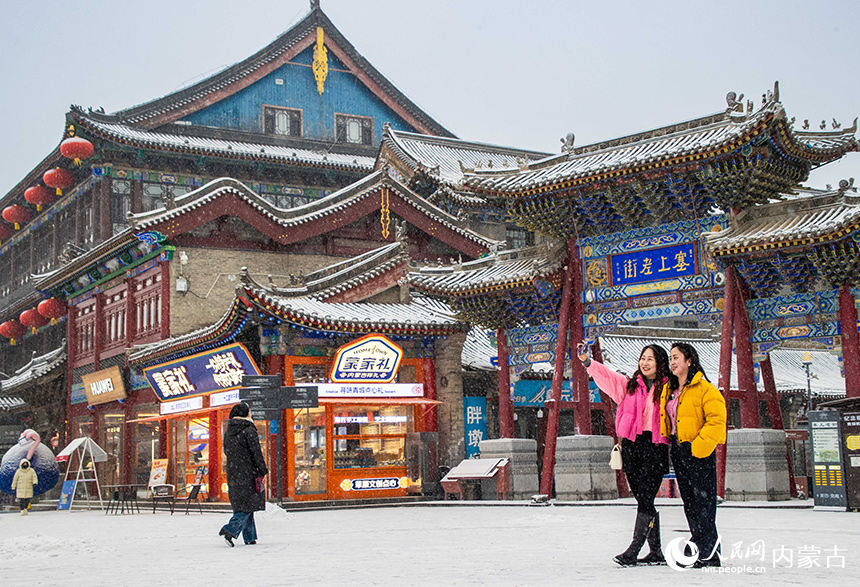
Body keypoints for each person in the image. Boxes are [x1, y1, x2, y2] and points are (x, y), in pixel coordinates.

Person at [578, 341, 671, 566]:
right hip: (631, 445)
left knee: (646, 498)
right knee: (643, 499)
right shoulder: (629, 386)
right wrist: (588, 362)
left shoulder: (670, 388)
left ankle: (633, 549)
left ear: (660, 362)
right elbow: (608, 377)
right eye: (642, 358)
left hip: (655, 446)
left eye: (650, 359)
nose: (645, 363)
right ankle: (656, 551)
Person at [660, 342, 727, 568]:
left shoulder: (705, 389)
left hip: (698, 450)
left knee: (704, 502)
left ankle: (704, 551)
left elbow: (717, 420)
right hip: (678, 450)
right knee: (690, 503)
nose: (672, 362)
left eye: (676, 357)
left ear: (689, 361)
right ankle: (706, 551)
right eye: (670, 358)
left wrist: (699, 446)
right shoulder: (669, 390)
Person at [219, 402, 269, 547]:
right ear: (245, 414)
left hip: (233, 472)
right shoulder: (249, 430)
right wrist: (263, 470)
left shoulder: (229, 432)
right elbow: (256, 453)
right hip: (248, 473)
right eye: (249, 411)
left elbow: (227, 451)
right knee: (247, 505)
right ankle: (230, 530)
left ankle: (250, 537)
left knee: (245, 503)